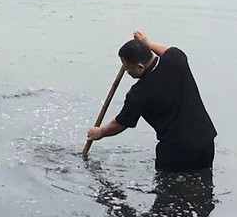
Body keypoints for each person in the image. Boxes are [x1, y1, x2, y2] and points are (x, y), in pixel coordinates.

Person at [85, 31, 215, 172]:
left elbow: (121, 123)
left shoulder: (139, 93)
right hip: (205, 140)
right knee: (203, 183)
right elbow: (167, 51)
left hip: (175, 150)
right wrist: (149, 43)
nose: (127, 73)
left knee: (169, 188)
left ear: (140, 67)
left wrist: (100, 132)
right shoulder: (176, 59)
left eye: (128, 69)